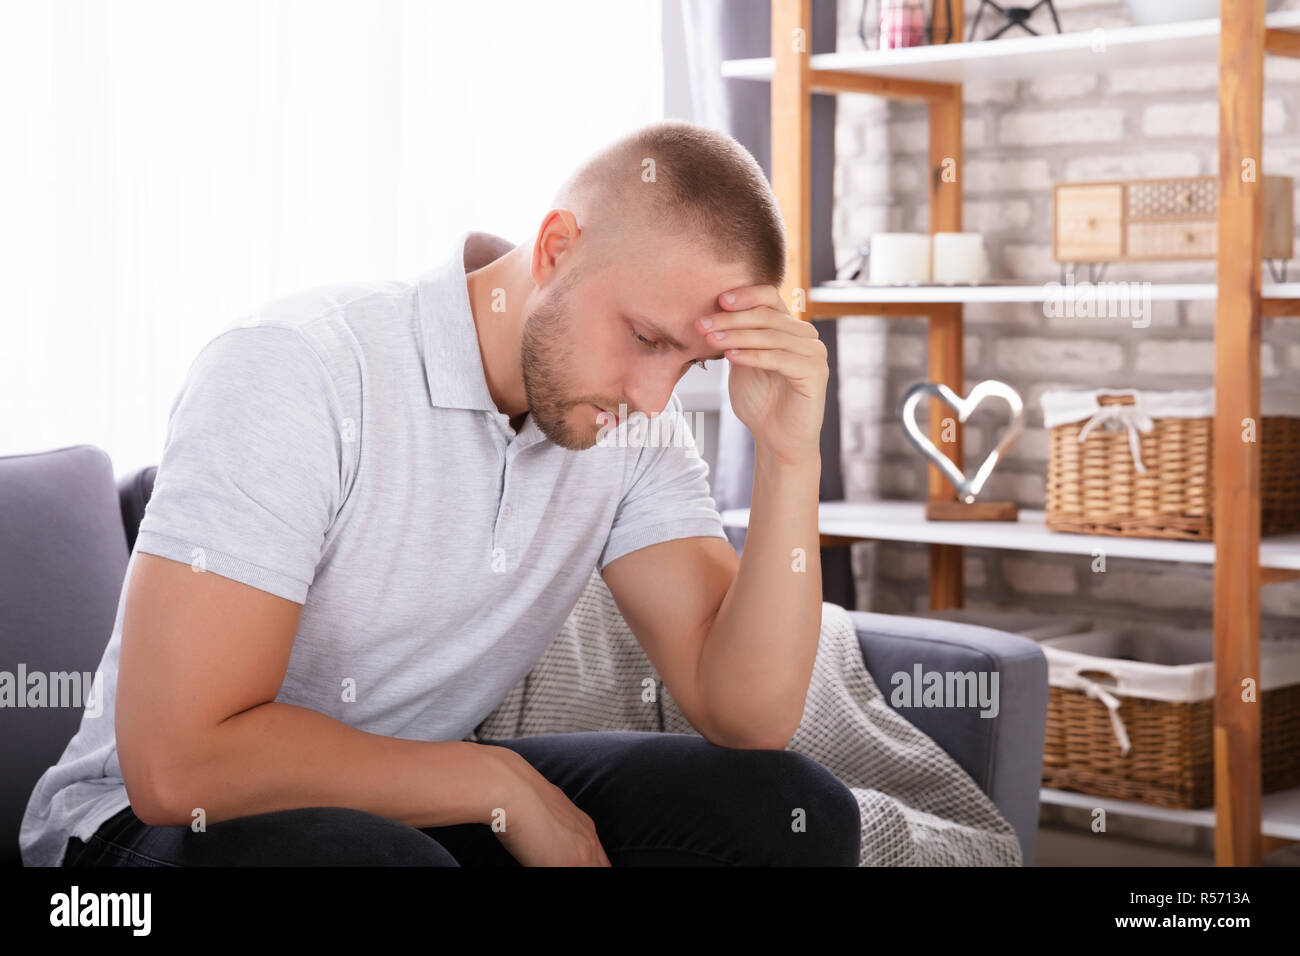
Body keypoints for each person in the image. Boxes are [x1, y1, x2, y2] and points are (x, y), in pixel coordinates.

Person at [23, 120, 857, 867]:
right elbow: (178, 767)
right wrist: (493, 781)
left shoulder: (632, 427)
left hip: (412, 805)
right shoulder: (297, 369)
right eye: (644, 337)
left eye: (691, 361)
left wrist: (790, 455)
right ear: (557, 247)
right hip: (134, 833)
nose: (654, 395)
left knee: (789, 810)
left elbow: (746, 716)